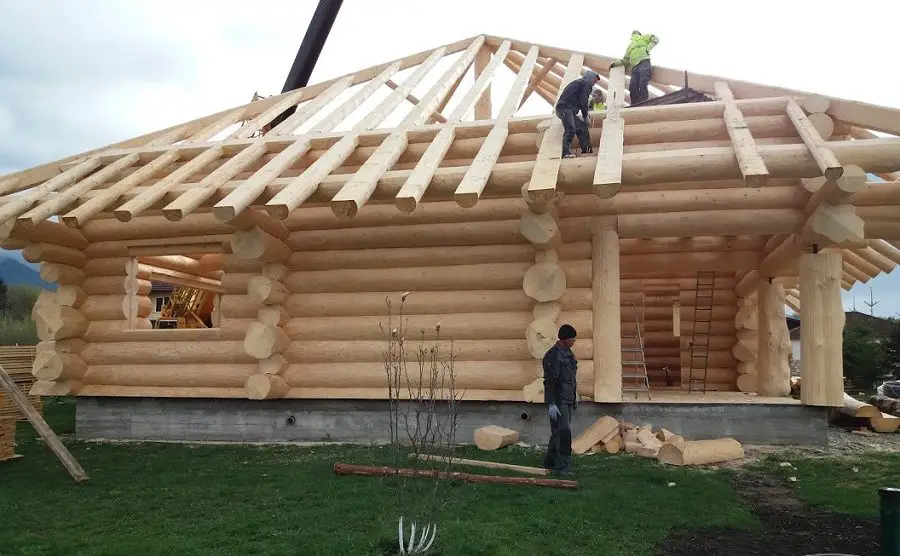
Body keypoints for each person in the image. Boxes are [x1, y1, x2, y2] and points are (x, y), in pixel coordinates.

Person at [542, 324, 578, 476]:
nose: (574, 341)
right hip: (558, 401)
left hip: (568, 399)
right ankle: (562, 467)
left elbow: (571, 379)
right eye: (572, 338)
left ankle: (550, 461)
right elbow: (550, 382)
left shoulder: (568, 354)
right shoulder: (553, 355)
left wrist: (574, 399)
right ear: (564, 339)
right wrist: (551, 403)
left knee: (558, 431)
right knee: (564, 433)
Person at [555, 70, 601, 158]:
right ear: (589, 78)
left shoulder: (583, 84)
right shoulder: (584, 83)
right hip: (564, 108)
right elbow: (583, 101)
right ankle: (565, 153)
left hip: (571, 111)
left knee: (582, 128)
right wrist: (585, 116)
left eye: (595, 82)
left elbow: (582, 101)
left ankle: (587, 152)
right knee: (570, 128)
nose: (594, 83)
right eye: (594, 81)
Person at [612, 30, 659, 105]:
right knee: (633, 86)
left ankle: (643, 103)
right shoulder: (630, 46)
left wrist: (647, 49)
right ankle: (634, 104)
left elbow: (655, 39)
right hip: (635, 66)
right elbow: (625, 61)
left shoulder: (644, 38)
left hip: (644, 62)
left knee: (642, 83)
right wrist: (616, 63)